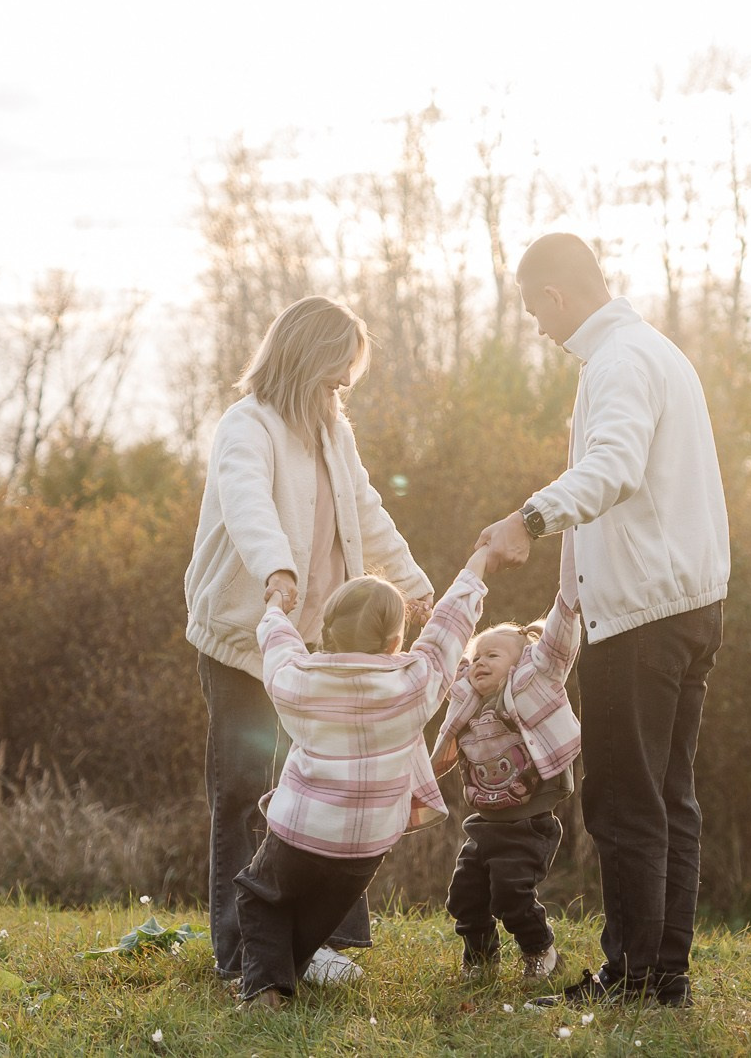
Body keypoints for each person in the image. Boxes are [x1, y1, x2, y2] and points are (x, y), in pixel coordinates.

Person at [479, 232, 730, 1008]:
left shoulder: (619, 363)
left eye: (533, 311)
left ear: (556, 296)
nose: (537, 328)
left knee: (624, 802)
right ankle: (664, 977)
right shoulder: (658, 353)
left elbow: (614, 467)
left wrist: (531, 515)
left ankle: (632, 977)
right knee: (668, 795)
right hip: (689, 605)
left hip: (644, 620)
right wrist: (567, 599)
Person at [183, 297, 434, 988]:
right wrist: (278, 570)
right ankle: (238, 951)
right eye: (336, 375)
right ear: (305, 361)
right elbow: (246, 502)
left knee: (324, 793)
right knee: (242, 789)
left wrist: (413, 582)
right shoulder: (248, 426)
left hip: (320, 646)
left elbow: (367, 508)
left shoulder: (333, 433)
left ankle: (312, 941)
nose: (343, 389)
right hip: (246, 635)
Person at [233, 549, 495, 1010]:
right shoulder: (414, 681)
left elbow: (278, 647)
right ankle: (283, 974)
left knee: (261, 896)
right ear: (395, 641)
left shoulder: (300, 679)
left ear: (327, 631)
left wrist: (275, 607)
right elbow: (447, 632)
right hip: (368, 844)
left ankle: (264, 988)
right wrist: (475, 569)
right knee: (315, 920)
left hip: (301, 830)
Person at [429, 598, 582, 982]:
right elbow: (441, 660)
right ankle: (481, 959)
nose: (479, 662)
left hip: (528, 823)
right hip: (485, 823)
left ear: (520, 662)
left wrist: (569, 598)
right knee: (464, 896)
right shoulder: (467, 701)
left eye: (491, 655)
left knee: (511, 895)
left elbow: (557, 643)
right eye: (476, 656)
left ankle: (540, 951)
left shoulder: (533, 683)